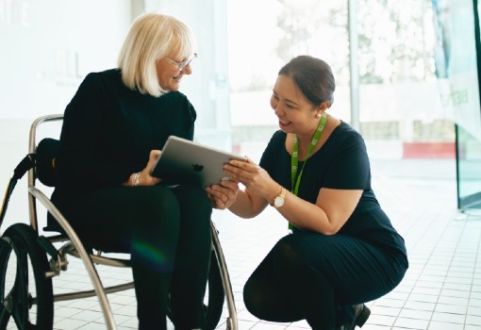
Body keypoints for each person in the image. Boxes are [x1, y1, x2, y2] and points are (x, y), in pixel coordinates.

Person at [207, 55, 409, 329]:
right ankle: (345, 307)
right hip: (318, 256)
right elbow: (252, 205)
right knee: (258, 296)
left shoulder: (347, 145)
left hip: (376, 254)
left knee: (291, 250)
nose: (278, 109)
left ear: (321, 108)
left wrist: (272, 188)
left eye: (290, 105)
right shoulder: (280, 141)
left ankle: (340, 314)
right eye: (275, 97)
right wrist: (230, 196)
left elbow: (328, 223)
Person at [49, 13, 212, 330]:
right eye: (180, 61)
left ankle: (190, 321)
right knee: (158, 202)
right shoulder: (99, 90)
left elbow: (179, 175)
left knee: (194, 200)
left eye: (190, 60)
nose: (188, 70)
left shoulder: (180, 106)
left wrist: (209, 181)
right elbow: (71, 167)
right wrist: (134, 179)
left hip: (156, 218)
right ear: (150, 55)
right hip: (88, 204)